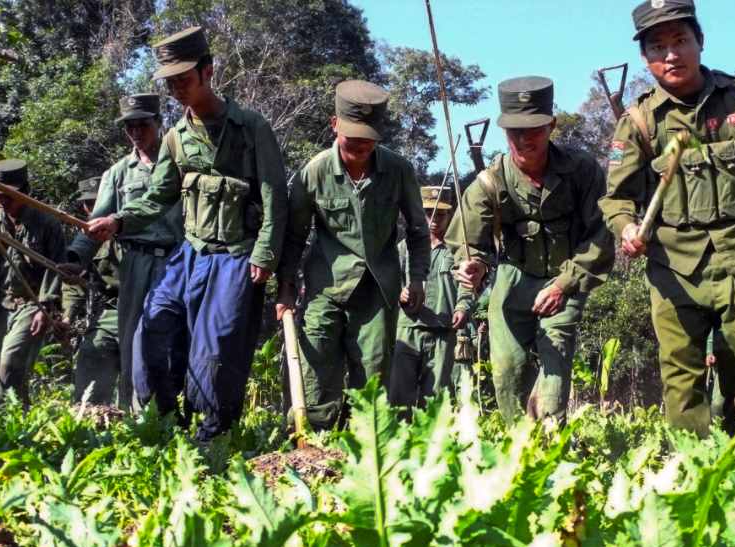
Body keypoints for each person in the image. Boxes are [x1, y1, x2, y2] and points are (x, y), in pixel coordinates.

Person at [599, 0, 735, 437]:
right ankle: (692, 468)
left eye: (680, 41)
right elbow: (615, 199)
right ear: (645, 58)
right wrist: (627, 227)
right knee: (681, 373)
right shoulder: (639, 122)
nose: (671, 54)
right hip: (674, 268)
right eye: (658, 46)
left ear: (700, 42)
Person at [85, 26, 288, 441]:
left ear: (208, 72)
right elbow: (159, 195)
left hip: (235, 255)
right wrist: (118, 222)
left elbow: (275, 198)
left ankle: (213, 437)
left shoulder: (251, 128)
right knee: (150, 333)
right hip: (188, 254)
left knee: (215, 351)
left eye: (184, 79)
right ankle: (163, 422)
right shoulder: (176, 137)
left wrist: (265, 255)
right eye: (170, 82)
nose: (177, 89)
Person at [449, 76, 614, 424]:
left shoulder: (581, 171)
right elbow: (469, 245)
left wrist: (563, 285)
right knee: (507, 372)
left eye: (535, 129)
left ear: (551, 125)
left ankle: (549, 446)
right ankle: (518, 447)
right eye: (515, 131)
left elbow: (601, 234)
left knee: (553, 380)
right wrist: (472, 266)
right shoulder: (488, 182)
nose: (525, 139)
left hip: (564, 279)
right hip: (512, 280)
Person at [275, 80, 430, 430]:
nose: (361, 145)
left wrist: (418, 277)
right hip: (325, 291)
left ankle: (365, 450)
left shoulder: (398, 170)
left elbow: (419, 231)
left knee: (373, 377)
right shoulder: (313, 173)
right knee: (317, 371)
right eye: (352, 136)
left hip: (377, 292)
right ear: (334, 125)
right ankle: (314, 446)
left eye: (369, 137)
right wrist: (285, 288)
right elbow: (295, 237)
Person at [66, 94, 182, 410]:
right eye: (130, 127)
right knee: (134, 343)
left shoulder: (180, 164)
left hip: (179, 261)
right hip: (135, 263)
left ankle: (175, 415)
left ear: (159, 123)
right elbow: (96, 223)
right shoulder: (117, 173)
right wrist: (76, 258)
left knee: (176, 341)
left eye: (143, 124)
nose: (136, 132)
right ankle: (138, 417)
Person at [0, 159, 66, 407]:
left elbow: (57, 268)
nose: (1, 200)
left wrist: (46, 308)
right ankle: (13, 424)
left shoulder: (47, 222)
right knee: (1, 376)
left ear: (24, 192)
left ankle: (15, 420)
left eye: (7, 195)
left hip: (32, 304)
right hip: (0, 304)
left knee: (9, 365)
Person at [388, 185, 472, 409]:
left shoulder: (458, 252)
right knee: (398, 399)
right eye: (428, 213)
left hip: (442, 333)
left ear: (449, 216)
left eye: (442, 214)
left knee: (435, 404)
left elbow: (467, 286)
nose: (435, 219)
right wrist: (400, 293)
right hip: (407, 331)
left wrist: (462, 308)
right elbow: (389, 282)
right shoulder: (404, 248)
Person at [63, 176, 122, 405]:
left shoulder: (134, 231)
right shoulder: (85, 242)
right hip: (109, 311)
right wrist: (68, 316)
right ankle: (90, 416)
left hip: (143, 307)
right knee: (92, 355)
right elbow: (75, 284)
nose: (94, 210)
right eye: (89, 205)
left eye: (99, 204)